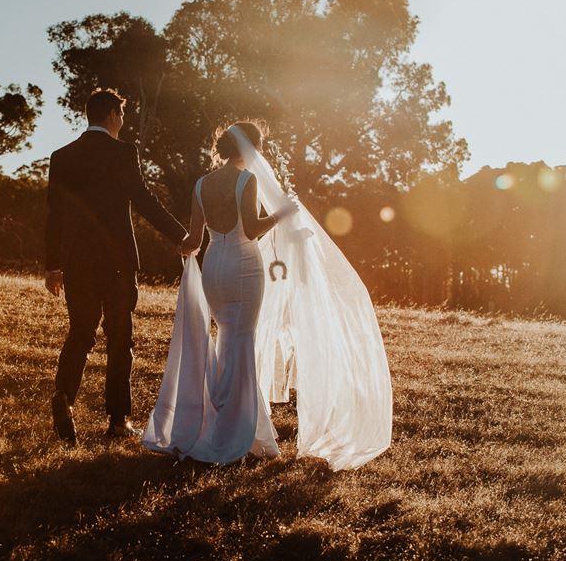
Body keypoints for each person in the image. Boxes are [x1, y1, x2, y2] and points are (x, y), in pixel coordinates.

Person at [143, 122, 393, 470]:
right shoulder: (247, 181)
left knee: (228, 341)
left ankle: (244, 428)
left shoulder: (202, 185)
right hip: (244, 268)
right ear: (251, 149)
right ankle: (239, 433)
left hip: (214, 265)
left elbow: (195, 240)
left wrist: (182, 250)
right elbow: (252, 229)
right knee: (241, 342)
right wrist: (282, 213)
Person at [44, 88, 187, 443]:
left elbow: (54, 216)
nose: (123, 121)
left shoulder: (62, 156)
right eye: (121, 114)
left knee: (81, 332)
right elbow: (144, 200)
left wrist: (52, 265)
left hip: (78, 261)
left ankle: (64, 395)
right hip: (118, 260)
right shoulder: (123, 152)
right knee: (120, 337)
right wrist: (180, 236)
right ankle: (118, 421)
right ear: (111, 114)